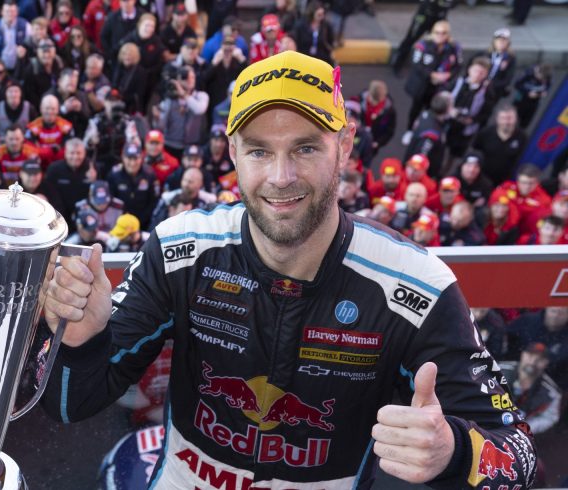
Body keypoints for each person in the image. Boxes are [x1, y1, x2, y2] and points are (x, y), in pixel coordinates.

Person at [31, 51, 535, 488]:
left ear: (346, 145)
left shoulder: (417, 287)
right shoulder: (180, 248)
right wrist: (80, 341)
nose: (281, 177)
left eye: (306, 147)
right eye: (259, 150)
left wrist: (455, 452)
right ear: (233, 152)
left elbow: (519, 455)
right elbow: (71, 404)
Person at [500, 343, 562, 435]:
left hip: (514, 435)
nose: (533, 362)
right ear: (522, 354)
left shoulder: (551, 393)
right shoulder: (497, 370)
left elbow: (550, 418)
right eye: (530, 356)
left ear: (546, 363)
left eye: (540, 359)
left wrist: (523, 428)